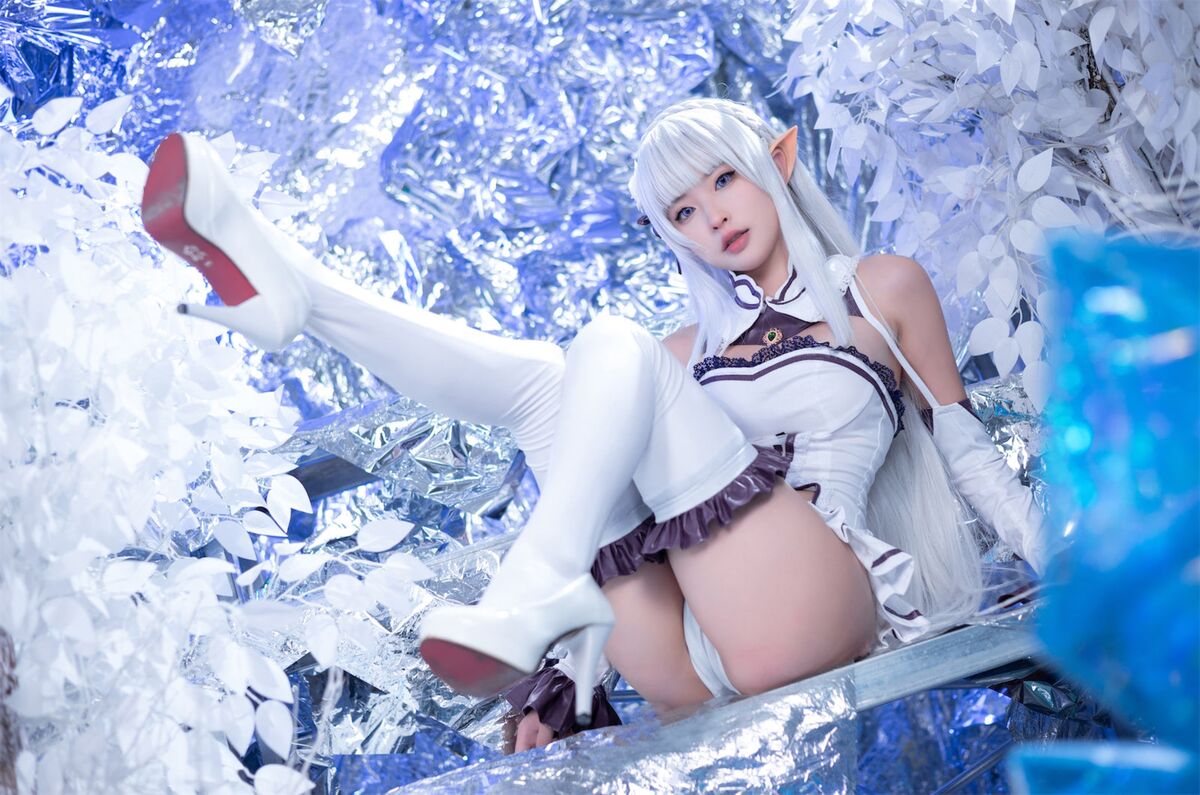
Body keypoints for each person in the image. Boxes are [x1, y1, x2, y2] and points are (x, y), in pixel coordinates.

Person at [139, 97, 1048, 757]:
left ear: (778, 159)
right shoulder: (683, 352)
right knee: (556, 384)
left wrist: (1073, 569)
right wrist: (563, 684)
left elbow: (967, 454)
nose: (712, 215)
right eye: (683, 211)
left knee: (610, 348)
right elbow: (613, 495)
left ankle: (529, 593)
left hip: (818, 606)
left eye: (723, 179)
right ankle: (300, 292)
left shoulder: (880, 289)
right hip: (689, 652)